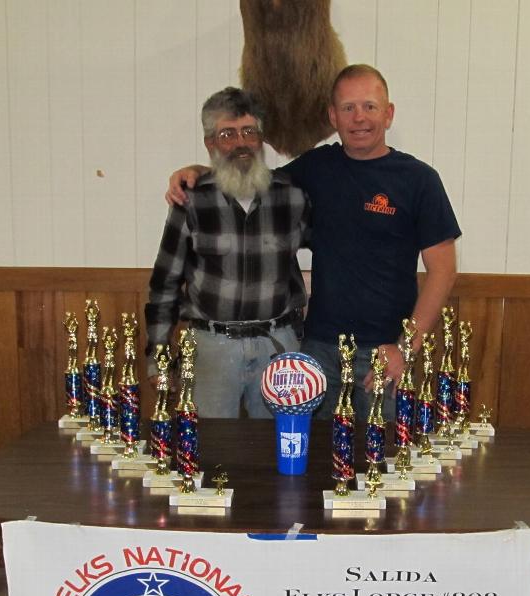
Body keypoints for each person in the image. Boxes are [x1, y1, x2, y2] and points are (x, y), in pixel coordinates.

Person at [167, 65, 460, 420]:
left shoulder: (420, 180)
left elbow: (443, 270)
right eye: (348, 108)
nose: (359, 118)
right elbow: (253, 181)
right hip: (318, 350)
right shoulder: (316, 168)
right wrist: (200, 171)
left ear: (388, 113)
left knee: (380, 463)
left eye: (369, 106)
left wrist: (405, 348)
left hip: (384, 352)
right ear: (332, 116)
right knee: (314, 463)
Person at [146, 87, 310, 418]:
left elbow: (336, 251)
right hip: (211, 346)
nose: (241, 142)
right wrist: (158, 358)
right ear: (210, 143)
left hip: (277, 344)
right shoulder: (191, 201)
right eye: (227, 133)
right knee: (209, 450)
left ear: (261, 138)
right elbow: (165, 285)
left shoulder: (292, 196)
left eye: (249, 131)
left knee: (276, 451)